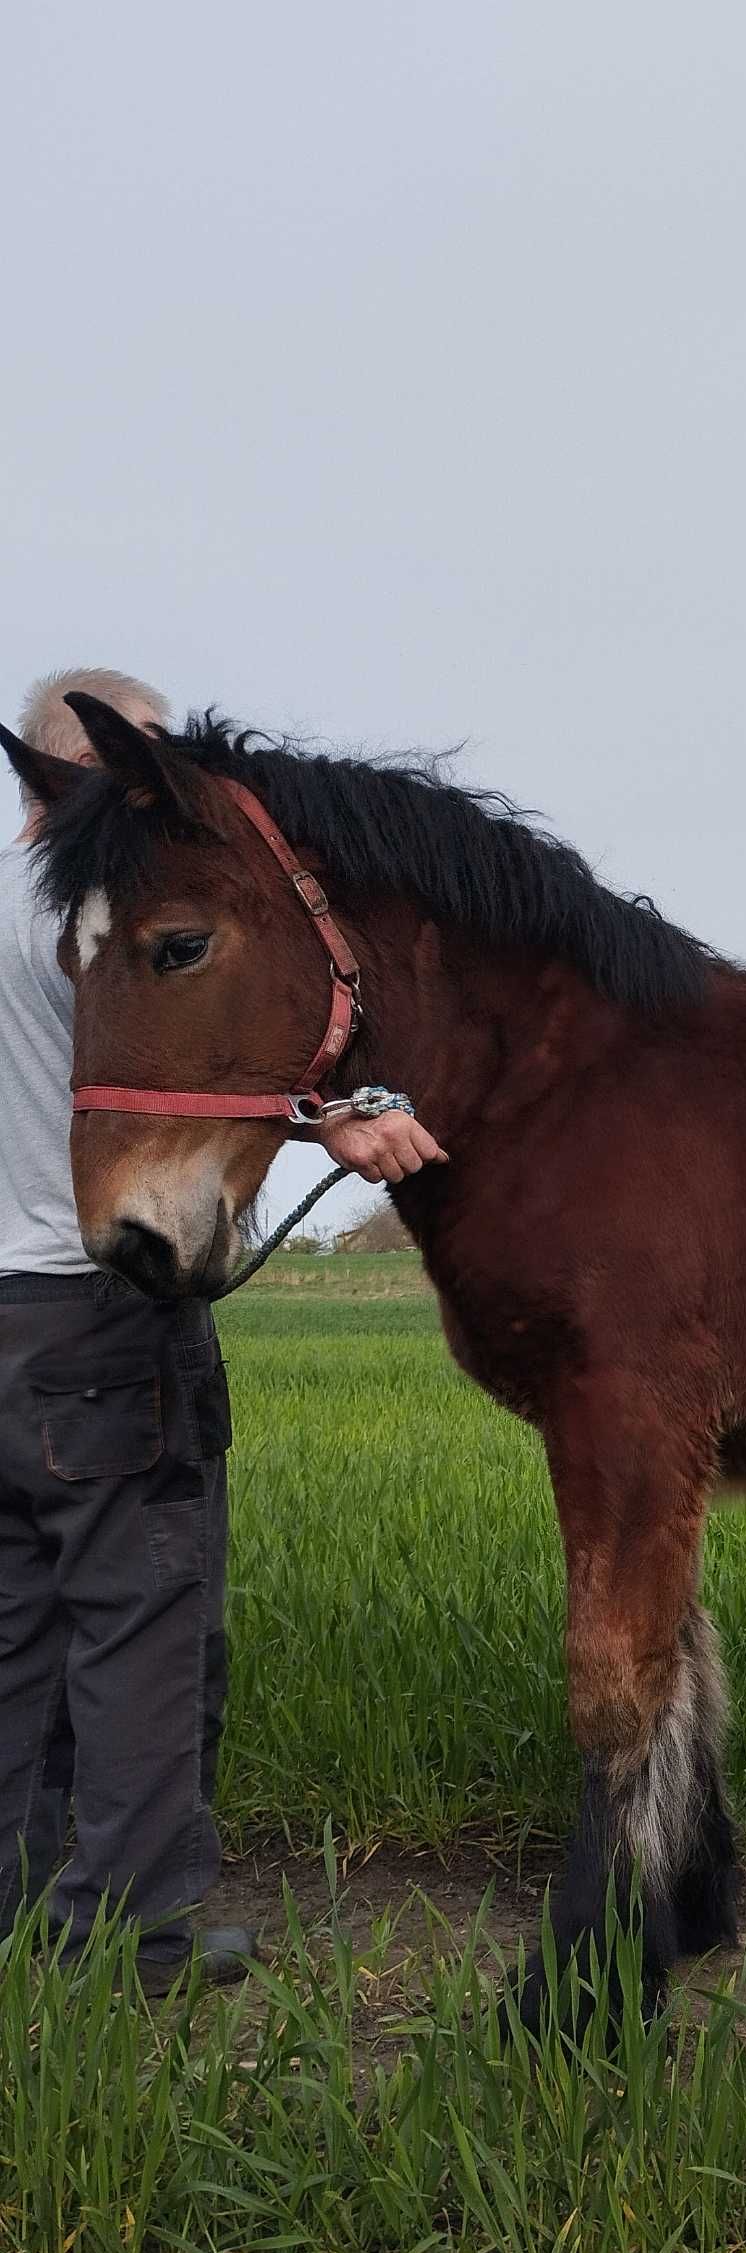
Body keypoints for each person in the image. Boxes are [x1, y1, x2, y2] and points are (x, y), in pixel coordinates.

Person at [0, 668, 445, 1988]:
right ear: (111, 777)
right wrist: (334, 1114)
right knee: (143, 1620)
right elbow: (171, 1042)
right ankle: (129, 1937)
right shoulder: (94, 909)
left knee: (17, 1628)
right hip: (96, 1309)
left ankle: (22, 1909)